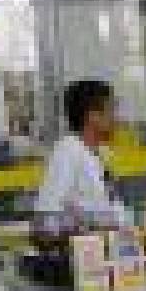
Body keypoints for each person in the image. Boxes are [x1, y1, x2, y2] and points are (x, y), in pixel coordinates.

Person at [36, 79, 132, 230]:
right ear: (92, 116)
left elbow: (108, 205)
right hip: (85, 250)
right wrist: (94, 222)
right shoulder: (68, 150)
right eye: (112, 109)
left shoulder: (102, 153)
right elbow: (47, 218)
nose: (117, 118)